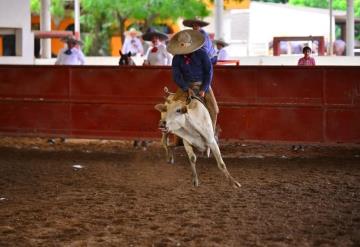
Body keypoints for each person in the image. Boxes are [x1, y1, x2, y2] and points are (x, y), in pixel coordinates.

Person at [167, 29, 219, 131]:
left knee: (214, 109)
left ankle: (211, 134)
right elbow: (176, 76)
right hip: (185, 85)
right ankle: (178, 137)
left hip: (203, 85)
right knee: (172, 108)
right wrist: (186, 88)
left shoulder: (202, 54)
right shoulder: (177, 59)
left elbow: (208, 72)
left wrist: (203, 89)